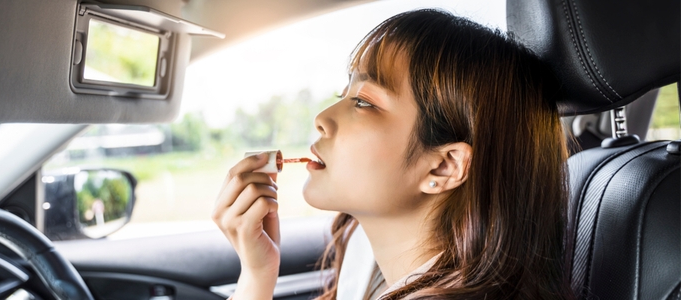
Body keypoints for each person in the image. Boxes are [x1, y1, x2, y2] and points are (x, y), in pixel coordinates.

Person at [212, 9, 573, 300]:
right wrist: (257, 274)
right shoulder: (371, 267)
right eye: (344, 95)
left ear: (444, 166)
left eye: (364, 102)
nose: (322, 119)